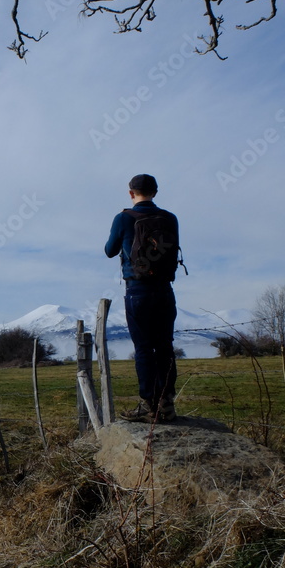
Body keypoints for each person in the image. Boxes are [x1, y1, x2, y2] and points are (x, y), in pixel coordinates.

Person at [104, 173, 179, 422]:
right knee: (165, 347)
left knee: (144, 348)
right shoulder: (170, 219)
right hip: (165, 290)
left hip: (138, 290)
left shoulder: (124, 217)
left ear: (131, 193)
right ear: (156, 192)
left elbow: (109, 250)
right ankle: (167, 404)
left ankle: (149, 405)